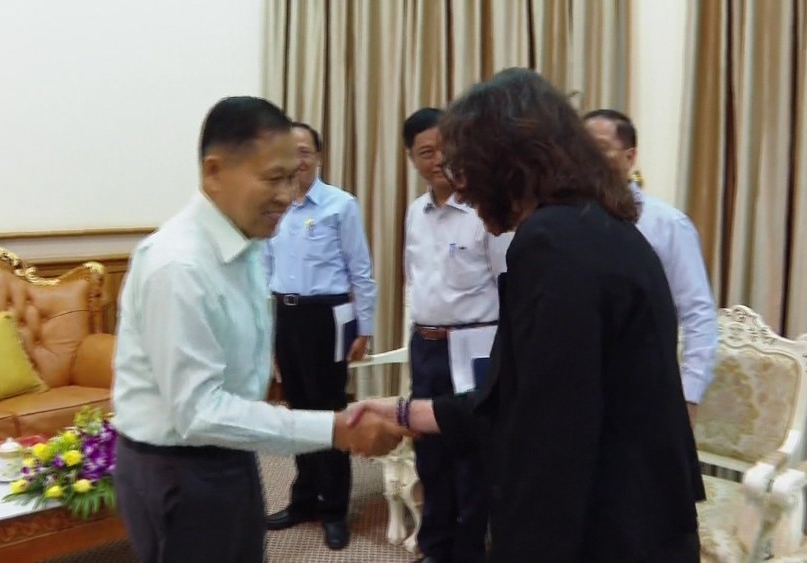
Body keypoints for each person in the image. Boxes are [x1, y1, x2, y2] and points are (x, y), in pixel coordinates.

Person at [350, 69, 705, 562]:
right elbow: (526, 397)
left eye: (466, 169)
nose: (462, 190)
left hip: (604, 526)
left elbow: (549, 437)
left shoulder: (551, 244)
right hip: (640, 512)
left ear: (506, 163)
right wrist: (407, 413)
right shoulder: (598, 224)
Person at [112, 96, 409, 563]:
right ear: (214, 172)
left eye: (293, 177)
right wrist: (336, 429)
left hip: (230, 451)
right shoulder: (179, 266)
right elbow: (199, 411)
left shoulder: (246, 243)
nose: (288, 195)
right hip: (181, 468)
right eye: (273, 179)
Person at [402, 107, 512, 563]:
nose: (439, 160)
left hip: (473, 349)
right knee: (429, 453)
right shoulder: (415, 212)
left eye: (445, 148)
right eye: (426, 152)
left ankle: (468, 553)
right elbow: (413, 281)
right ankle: (435, 547)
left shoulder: (484, 211)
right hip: (425, 345)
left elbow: (508, 285)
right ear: (412, 158)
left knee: (470, 456)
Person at [262, 121, 378, 550]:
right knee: (296, 412)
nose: (298, 160)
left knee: (329, 411)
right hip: (286, 316)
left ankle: (334, 510)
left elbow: (360, 270)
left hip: (328, 317)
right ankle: (303, 500)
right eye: (289, 152)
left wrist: (364, 326)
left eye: (305, 151)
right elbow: (265, 268)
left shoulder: (339, 205)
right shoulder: (273, 207)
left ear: (319, 157)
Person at [582, 109, 718, 421]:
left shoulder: (667, 224)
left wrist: (690, 394)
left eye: (600, 148)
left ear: (630, 157)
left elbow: (697, 312)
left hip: (644, 385)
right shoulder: (565, 222)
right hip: (580, 387)